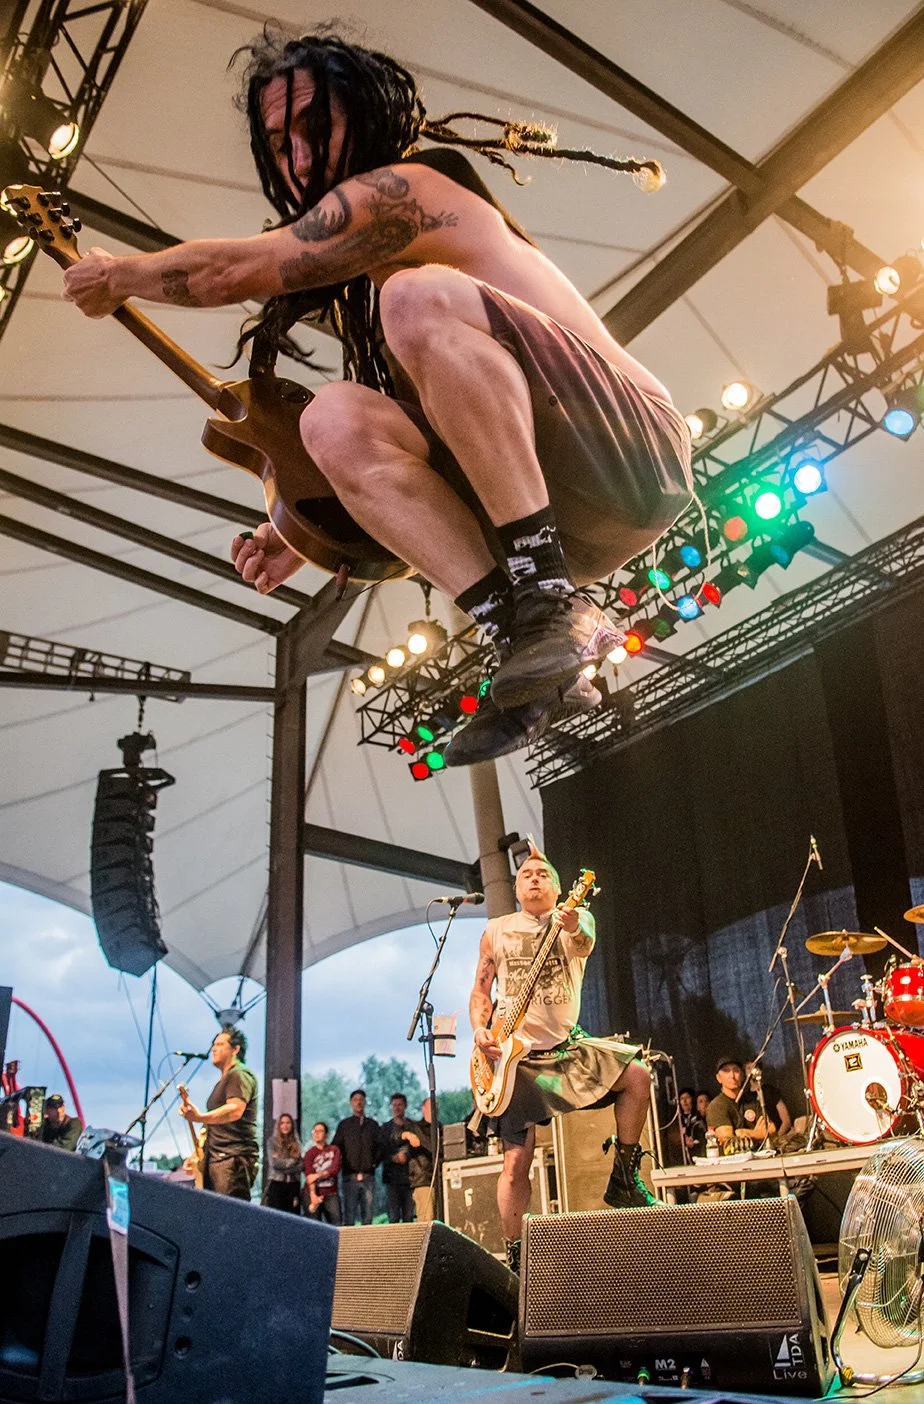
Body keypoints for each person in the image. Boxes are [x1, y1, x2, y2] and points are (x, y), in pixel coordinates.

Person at [61, 29, 692, 766]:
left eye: (312, 126)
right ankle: (521, 633)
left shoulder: (415, 192)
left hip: (632, 452)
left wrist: (119, 275)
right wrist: (302, 525)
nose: (297, 157)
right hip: (558, 509)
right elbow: (410, 456)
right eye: (278, 142)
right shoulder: (375, 300)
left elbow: (234, 272)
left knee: (417, 299)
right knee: (331, 418)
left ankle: (545, 598)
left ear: (363, 117)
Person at [469, 846, 655, 1271]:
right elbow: (482, 990)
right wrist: (481, 1031)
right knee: (516, 1161)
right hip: (513, 1059)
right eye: (527, 874)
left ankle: (625, 1179)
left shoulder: (576, 917)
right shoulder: (496, 931)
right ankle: (516, 1257)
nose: (534, 878)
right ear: (516, 888)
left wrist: (572, 922)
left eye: (543, 874)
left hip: (566, 1048)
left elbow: (584, 940)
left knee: (638, 1076)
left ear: (557, 888)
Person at [180, 1027, 259, 1199]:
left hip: (232, 1159)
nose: (213, 1049)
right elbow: (212, 1126)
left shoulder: (239, 1074)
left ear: (235, 1049)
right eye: (213, 1045)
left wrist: (200, 1117)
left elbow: (235, 1110)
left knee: (228, 1217)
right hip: (217, 1158)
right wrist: (197, 1155)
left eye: (220, 1044)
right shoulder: (224, 1080)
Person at [706, 1056, 776, 1146]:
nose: (732, 1076)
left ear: (742, 1076)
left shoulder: (752, 1101)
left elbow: (772, 1129)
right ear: (718, 1078)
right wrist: (758, 1133)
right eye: (726, 1071)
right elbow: (727, 1139)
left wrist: (743, 1132)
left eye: (736, 1070)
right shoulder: (716, 1106)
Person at [333, 1089, 379, 1225]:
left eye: (361, 1099)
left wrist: (374, 1163)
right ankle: (349, 1246)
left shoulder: (372, 1125)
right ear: (351, 1103)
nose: (358, 1102)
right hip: (349, 1177)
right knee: (349, 1215)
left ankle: (367, 1246)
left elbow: (381, 1146)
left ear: (365, 1102)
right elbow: (336, 1148)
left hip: (368, 1176)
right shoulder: (344, 1125)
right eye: (355, 1100)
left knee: (368, 1216)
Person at [377, 1092, 419, 1223]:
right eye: (394, 1105)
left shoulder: (413, 1126)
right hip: (392, 1179)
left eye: (400, 1104)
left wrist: (407, 1155)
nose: (397, 1108)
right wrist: (393, 1158)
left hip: (410, 1178)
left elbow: (418, 1148)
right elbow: (380, 1151)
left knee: (409, 1216)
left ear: (405, 1106)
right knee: (393, 1217)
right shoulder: (385, 1128)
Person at [303, 1120, 342, 1224]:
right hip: (313, 1193)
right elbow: (309, 1176)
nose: (317, 1133)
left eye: (320, 1131)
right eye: (315, 1131)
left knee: (336, 1223)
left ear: (326, 1134)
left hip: (331, 1193)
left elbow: (334, 1169)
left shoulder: (334, 1150)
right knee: (313, 1226)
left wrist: (318, 1175)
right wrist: (313, 1195)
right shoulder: (309, 1154)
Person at [263, 1112, 302, 1213]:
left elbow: (301, 1166)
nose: (285, 1126)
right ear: (279, 1125)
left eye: (288, 1123)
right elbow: (274, 1164)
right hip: (276, 1184)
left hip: (293, 1185)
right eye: (282, 1123)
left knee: (292, 1218)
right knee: (276, 1217)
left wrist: (282, 1164)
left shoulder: (297, 1142)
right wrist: (293, 1161)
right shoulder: (272, 1142)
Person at [407, 1097, 437, 1223]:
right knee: (426, 1220)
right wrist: (406, 1135)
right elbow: (395, 1137)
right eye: (431, 1106)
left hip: (439, 1179)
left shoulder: (439, 1128)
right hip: (423, 1181)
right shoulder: (415, 1128)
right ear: (423, 1108)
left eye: (436, 1106)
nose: (435, 1109)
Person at [744, 1060, 793, 1136]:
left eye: (754, 1068)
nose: (752, 1071)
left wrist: (777, 1138)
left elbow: (786, 1121)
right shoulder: (745, 1097)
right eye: (748, 1068)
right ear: (744, 1072)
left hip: (778, 1137)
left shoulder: (771, 1091)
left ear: (760, 1070)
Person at [677, 1086, 706, 1160]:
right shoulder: (678, 1120)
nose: (684, 1101)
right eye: (682, 1099)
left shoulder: (698, 1119)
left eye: (687, 1098)